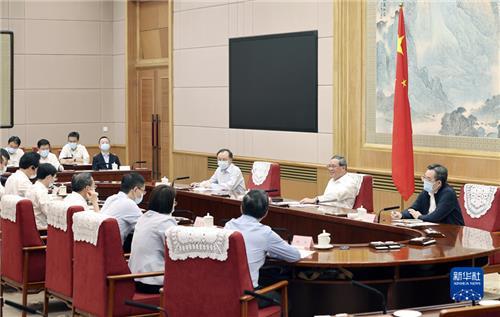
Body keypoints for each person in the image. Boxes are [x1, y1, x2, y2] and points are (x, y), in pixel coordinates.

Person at [224, 189, 300, 307]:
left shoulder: (229, 225)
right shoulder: (265, 233)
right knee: (286, 303)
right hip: (249, 295)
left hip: (228, 291)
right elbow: (294, 256)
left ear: (241, 207)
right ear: (265, 212)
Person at [129, 185, 177, 294]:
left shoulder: (144, 217)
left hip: (135, 278)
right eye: (174, 203)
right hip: (152, 281)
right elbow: (174, 253)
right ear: (169, 203)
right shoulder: (166, 222)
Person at [392, 164, 465, 225]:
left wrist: (419, 216)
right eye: (424, 178)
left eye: (428, 179)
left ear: (438, 183)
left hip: (453, 232)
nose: (425, 181)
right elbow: (414, 209)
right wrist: (401, 215)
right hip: (433, 229)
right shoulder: (426, 191)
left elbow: (435, 217)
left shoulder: (448, 194)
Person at [101, 173, 145, 245]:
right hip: (113, 250)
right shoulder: (129, 203)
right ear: (135, 189)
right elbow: (145, 227)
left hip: (102, 247)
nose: (142, 194)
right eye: (143, 191)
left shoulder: (111, 198)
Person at [25, 163, 58, 230]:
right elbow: (49, 212)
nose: (54, 180)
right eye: (54, 178)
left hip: (32, 225)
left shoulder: (32, 187)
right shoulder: (41, 191)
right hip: (42, 228)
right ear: (49, 177)